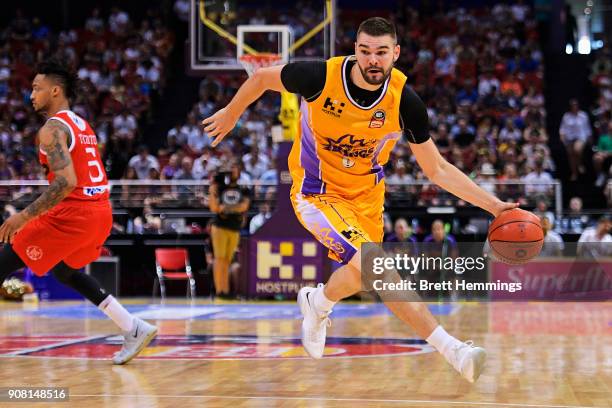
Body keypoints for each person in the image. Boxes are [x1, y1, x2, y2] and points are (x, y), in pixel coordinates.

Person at [202, 17, 517, 382]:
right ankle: (453, 350)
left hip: (367, 195)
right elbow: (260, 78)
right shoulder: (319, 77)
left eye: (381, 52)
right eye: (365, 51)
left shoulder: (405, 102)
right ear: (355, 50)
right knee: (378, 267)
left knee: (362, 276)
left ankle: (317, 302)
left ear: (395, 54)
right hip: (317, 191)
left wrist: (494, 206)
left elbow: (438, 170)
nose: (373, 60)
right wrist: (231, 113)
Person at [0, 59, 156, 364]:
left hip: (74, 215)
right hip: (100, 213)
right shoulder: (82, 124)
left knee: (3, 259)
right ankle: (132, 326)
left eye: (37, 88)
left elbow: (67, 181)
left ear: (55, 91)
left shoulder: (52, 129)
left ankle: (133, 327)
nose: (30, 95)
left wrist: (23, 216)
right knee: (64, 270)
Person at [208, 163, 251, 297]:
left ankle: (225, 289)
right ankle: (219, 290)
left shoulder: (243, 189)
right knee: (219, 259)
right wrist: (214, 183)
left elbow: (244, 207)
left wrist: (226, 208)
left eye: (234, 168)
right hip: (220, 226)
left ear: (239, 171)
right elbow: (214, 207)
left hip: (235, 228)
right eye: (230, 168)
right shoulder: (219, 188)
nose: (232, 172)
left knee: (227, 260)